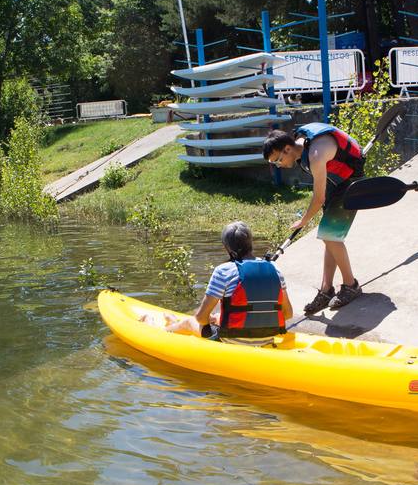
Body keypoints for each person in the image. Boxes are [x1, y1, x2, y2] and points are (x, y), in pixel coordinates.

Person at [263, 122, 365, 315]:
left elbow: (319, 199)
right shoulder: (301, 149)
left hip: (351, 182)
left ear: (287, 148)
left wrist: (303, 221)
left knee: (329, 235)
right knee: (329, 236)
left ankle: (351, 285)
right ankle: (326, 290)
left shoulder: (315, 155)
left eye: (277, 160)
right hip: (335, 182)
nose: (279, 166)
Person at [143, 221, 294, 345]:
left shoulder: (224, 270)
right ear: (250, 243)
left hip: (230, 339)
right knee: (215, 317)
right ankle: (173, 322)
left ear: (227, 248)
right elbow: (288, 314)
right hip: (266, 339)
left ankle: (156, 331)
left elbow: (201, 318)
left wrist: (213, 319)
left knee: (190, 322)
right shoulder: (274, 269)